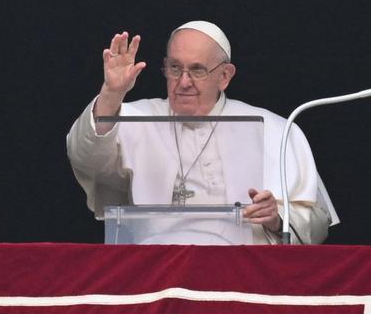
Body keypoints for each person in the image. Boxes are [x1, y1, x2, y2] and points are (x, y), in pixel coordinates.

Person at [66, 20, 337, 244]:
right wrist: (112, 93)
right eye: (175, 68)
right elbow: (85, 158)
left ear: (225, 76)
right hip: (155, 272)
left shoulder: (275, 129)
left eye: (197, 70)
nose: (183, 82)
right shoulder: (135, 118)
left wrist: (277, 218)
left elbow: (316, 224)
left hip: (242, 274)